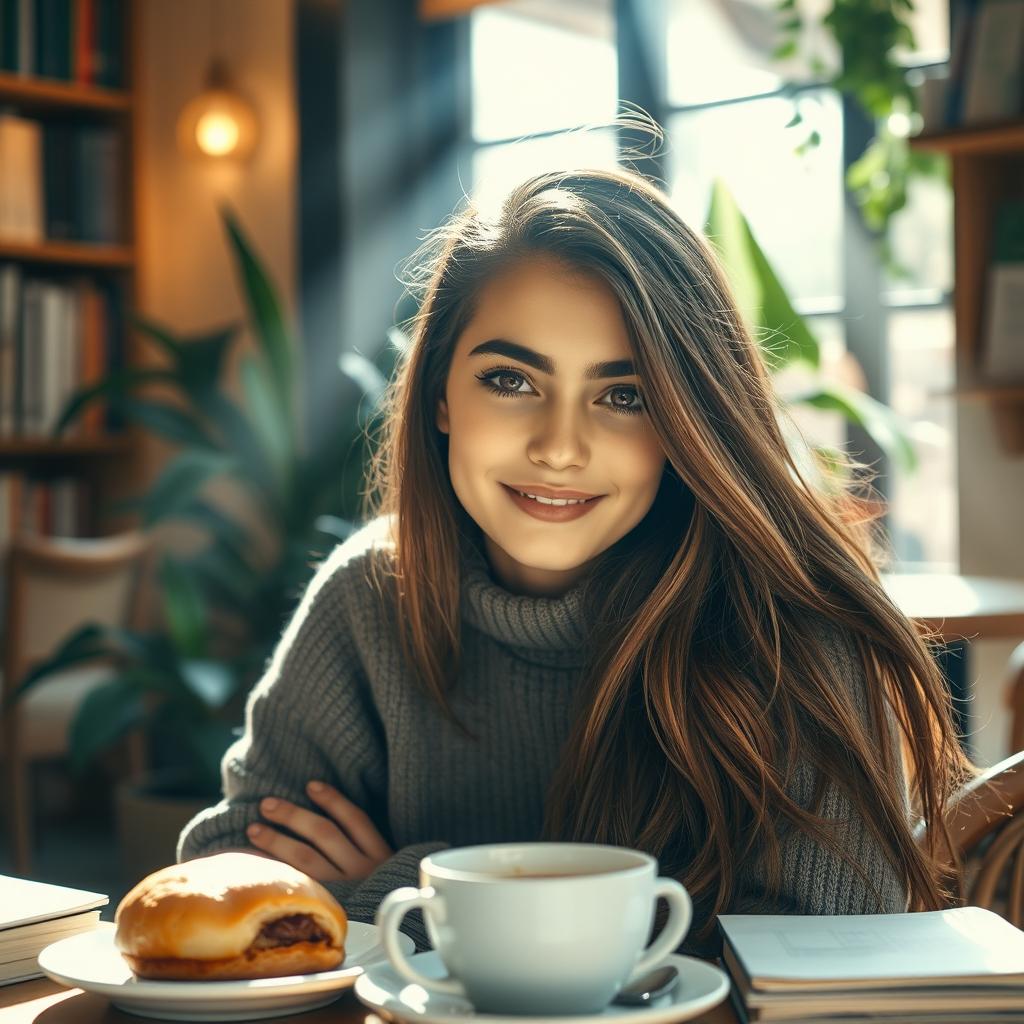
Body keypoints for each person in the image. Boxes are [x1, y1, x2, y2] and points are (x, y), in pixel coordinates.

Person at [177, 164, 974, 955]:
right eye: (510, 379)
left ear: (686, 420)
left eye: (624, 395)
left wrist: (418, 891)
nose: (559, 447)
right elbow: (229, 877)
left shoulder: (790, 628)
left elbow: (823, 958)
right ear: (441, 396)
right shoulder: (369, 595)